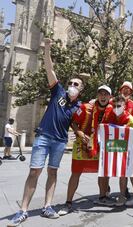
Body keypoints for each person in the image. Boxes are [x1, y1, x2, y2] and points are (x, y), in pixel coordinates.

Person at [9, 38, 83, 226]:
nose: (73, 86)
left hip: (60, 141)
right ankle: (23, 210)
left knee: (53, 172)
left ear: (81, 90)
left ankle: (47, 206)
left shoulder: (80, 106)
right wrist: (48, 49)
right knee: (35, 171)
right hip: (44, 136)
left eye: (77, 84)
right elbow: (49, 69)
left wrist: (80, 133)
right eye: (71, 83)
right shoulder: (58, 91)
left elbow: (78, 121)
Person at [58, 85, 114, 216]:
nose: (103, 96)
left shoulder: (112, 110)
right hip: (82, 144)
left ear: (110, 97)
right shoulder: (85, 107)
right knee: (76, 172)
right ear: (97, 95)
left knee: (103, 172)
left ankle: (102, 197)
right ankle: (68, 202)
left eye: (106, 94)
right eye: (101, 93)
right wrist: (80, 133)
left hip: (100, 146)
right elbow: (73, 123)